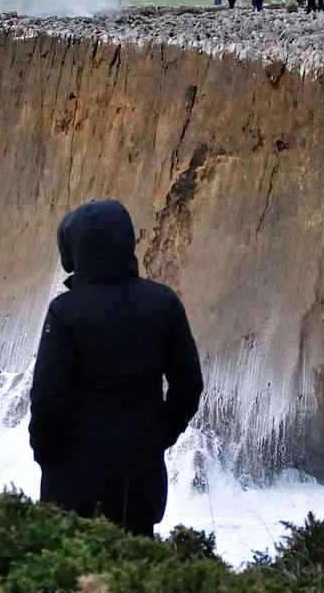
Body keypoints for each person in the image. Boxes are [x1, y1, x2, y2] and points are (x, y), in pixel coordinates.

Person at [29, 200, 203, 536]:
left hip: (73, 477)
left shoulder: (66, 312)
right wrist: (160, 435)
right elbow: (189, 385)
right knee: (135, 573)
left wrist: (46, 455)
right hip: (139, 476)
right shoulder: (163, 303)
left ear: (74, 250)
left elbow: (47, 397)